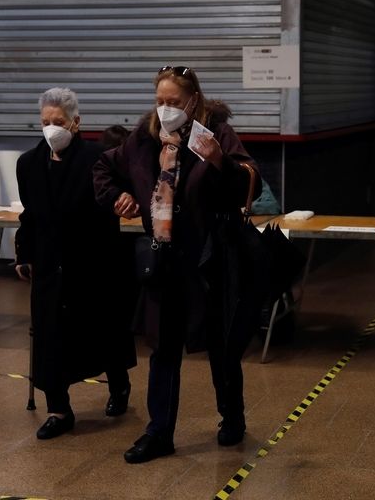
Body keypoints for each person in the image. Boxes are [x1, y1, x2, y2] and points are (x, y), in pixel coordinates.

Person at [93, 65, 260, 464]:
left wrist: (220, 161)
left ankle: (232, 416)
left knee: (220, 344)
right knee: (163, 346)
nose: (165, 108)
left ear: (193, 100)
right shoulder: (145, 136)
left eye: (174, 101)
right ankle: (159, 432)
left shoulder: (215, 132)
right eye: (160, 101)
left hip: (209, 257)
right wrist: (118, 197)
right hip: (164, 256)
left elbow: (249, 182)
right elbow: (103, 168)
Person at [14, 87, 136, 440]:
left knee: (103, 330)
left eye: (59, 121)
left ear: (76, 122)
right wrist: (24, 253)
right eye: (45, 122)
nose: (51, 128)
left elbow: (116, 198)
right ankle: (58, 409)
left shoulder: (98, 159)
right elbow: (30, 214)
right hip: (50, 264)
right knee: (49, 335)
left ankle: (119, 385)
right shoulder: (29, 163)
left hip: (92, 260)